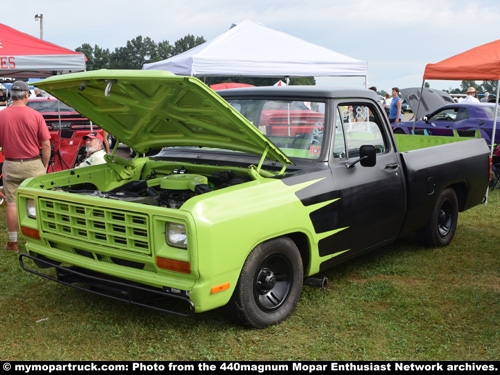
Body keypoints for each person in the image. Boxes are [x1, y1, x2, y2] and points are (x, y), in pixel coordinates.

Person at [0, 80, 51, 252]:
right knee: (33, 202)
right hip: (33, 164)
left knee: (12, 203)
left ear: (11, 95)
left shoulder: (2, 115)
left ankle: (13, 243)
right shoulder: (36, 115)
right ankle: (36, 241)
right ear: (26, 95)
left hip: (11, 164)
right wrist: (43, 166)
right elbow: (46, 145)